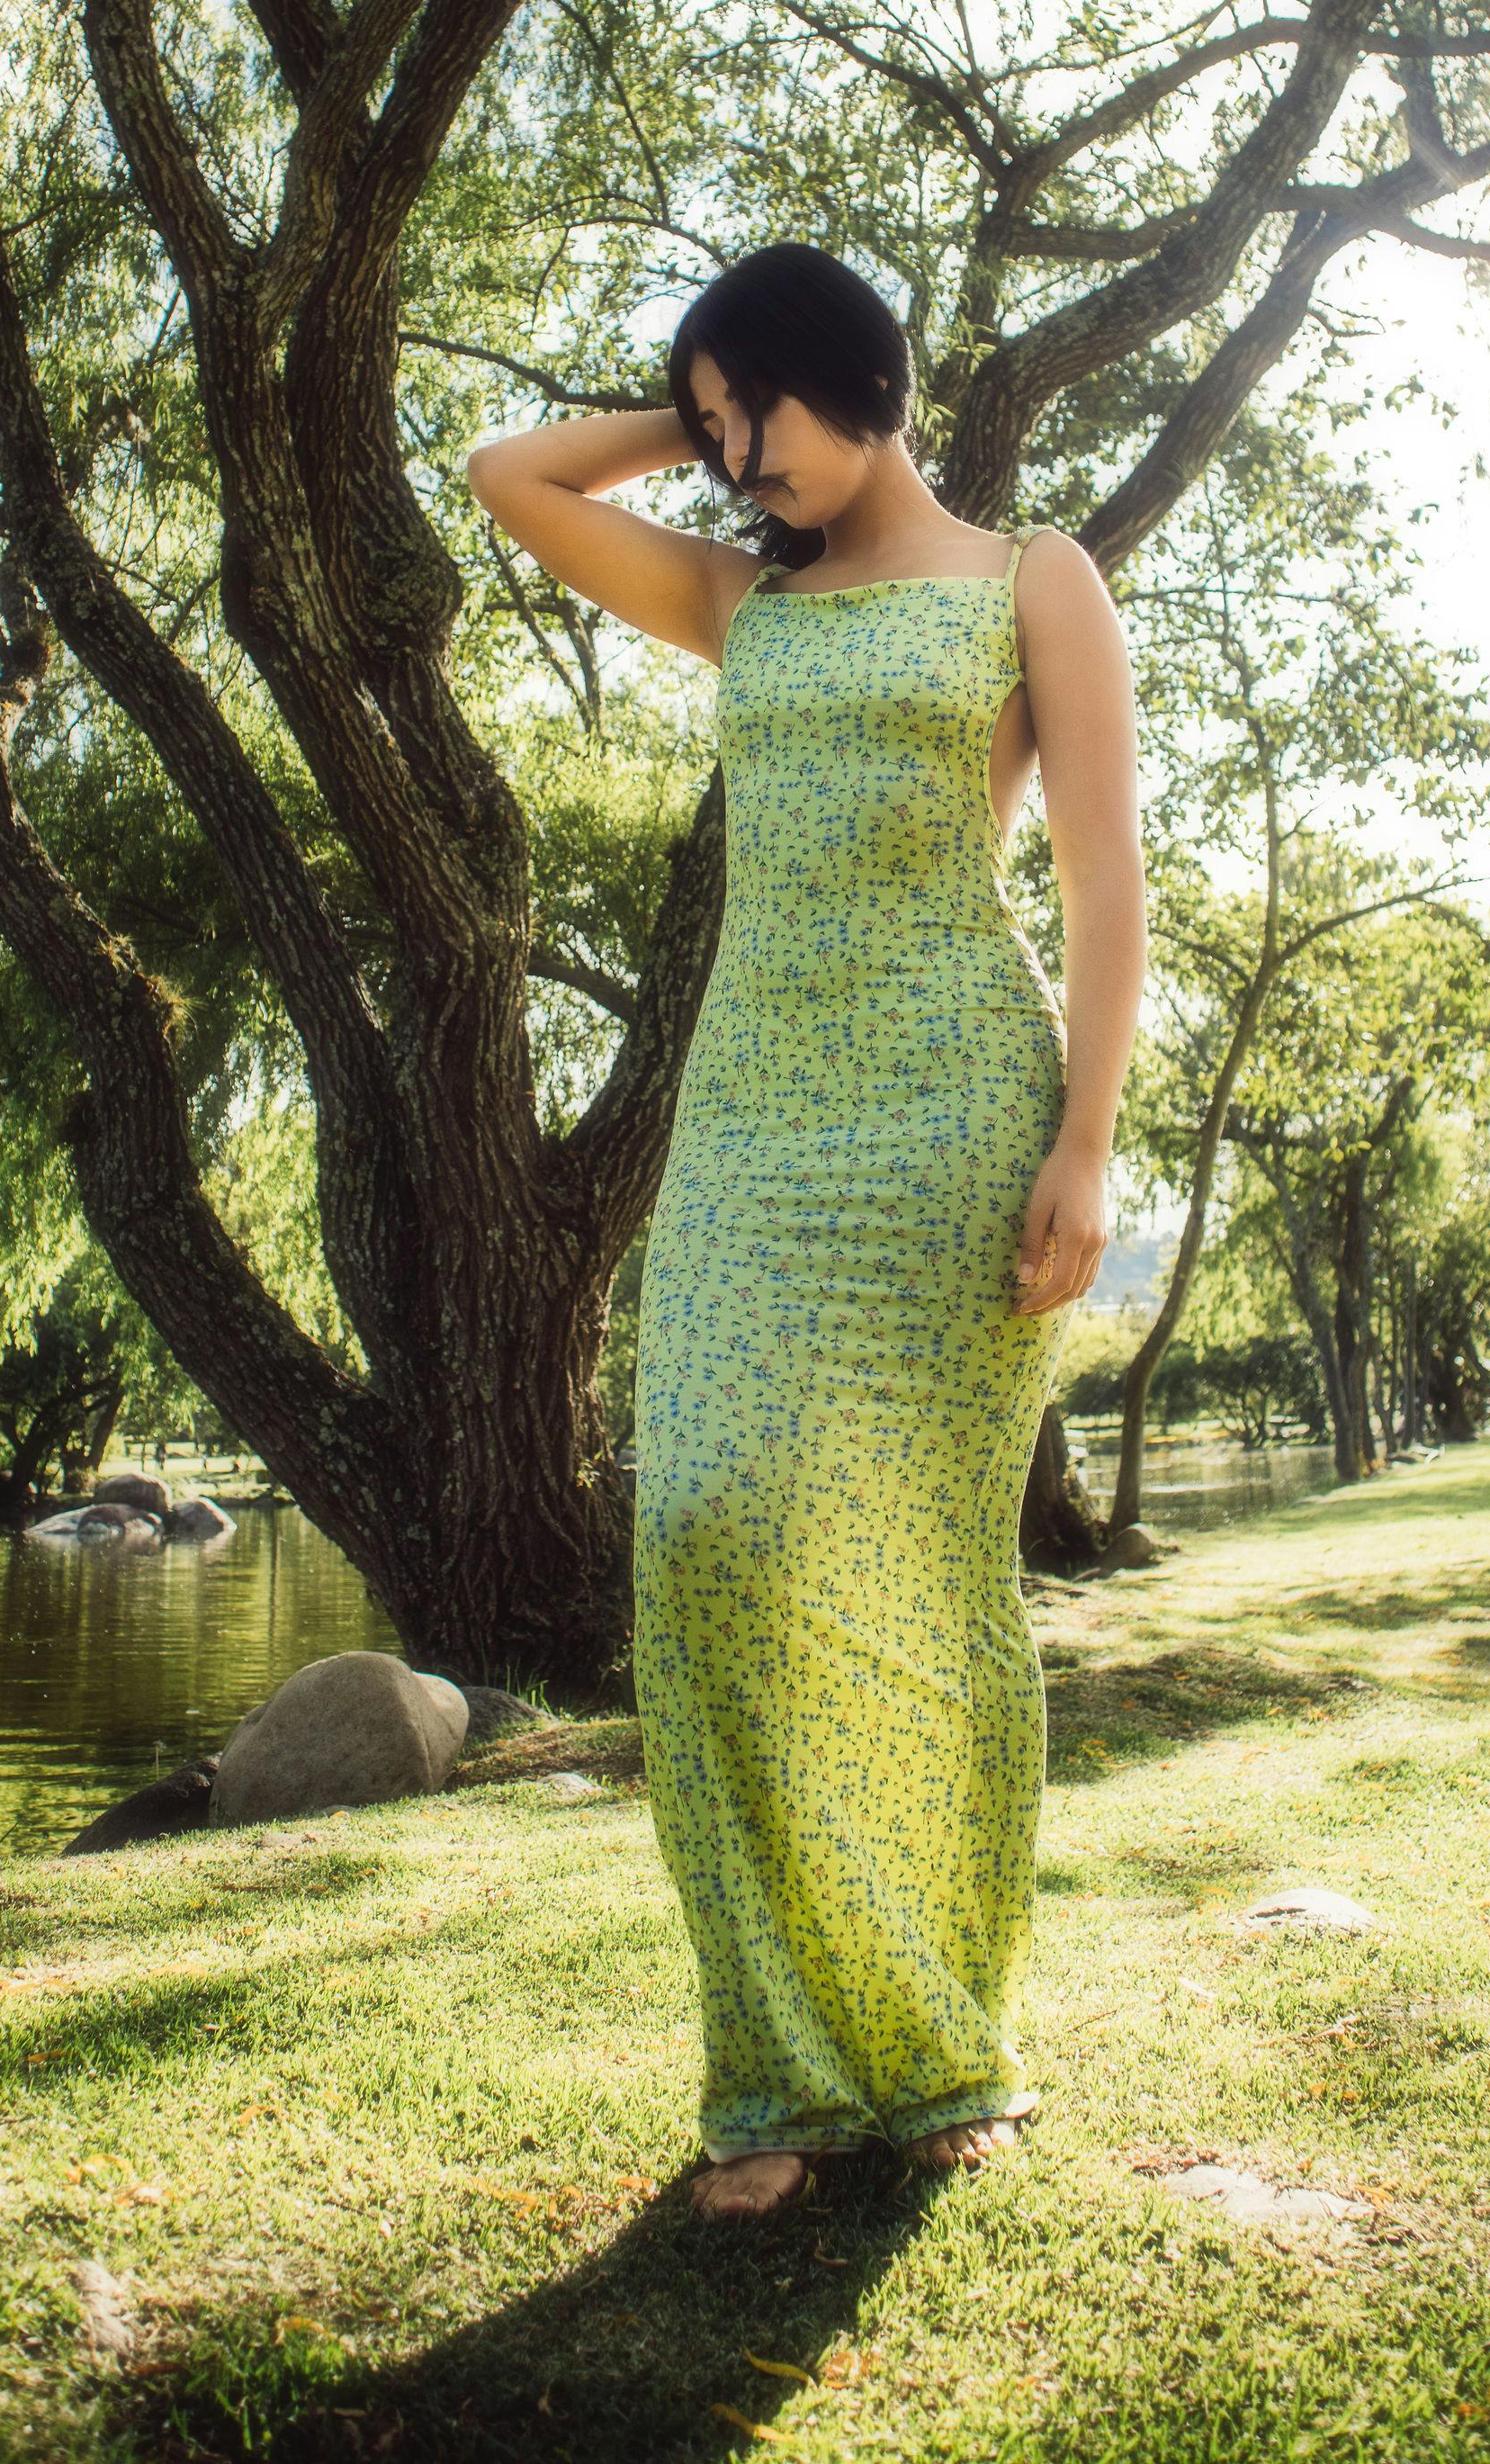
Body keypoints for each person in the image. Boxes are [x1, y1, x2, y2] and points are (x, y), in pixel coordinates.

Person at [466, 243, 1145, 2224]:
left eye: (757, 417)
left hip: (954, 1109)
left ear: (862, 383)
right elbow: (512, 479)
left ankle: (940, 2054)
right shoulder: (738, 602)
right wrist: (681, 406)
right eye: (713, 433)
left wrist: (1086, 1146)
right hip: (754, 1120)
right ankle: (767, 2068)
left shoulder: (1038, 582)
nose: (733, 463)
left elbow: (1110, 893)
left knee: (922, 1580)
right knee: (702, 1536)